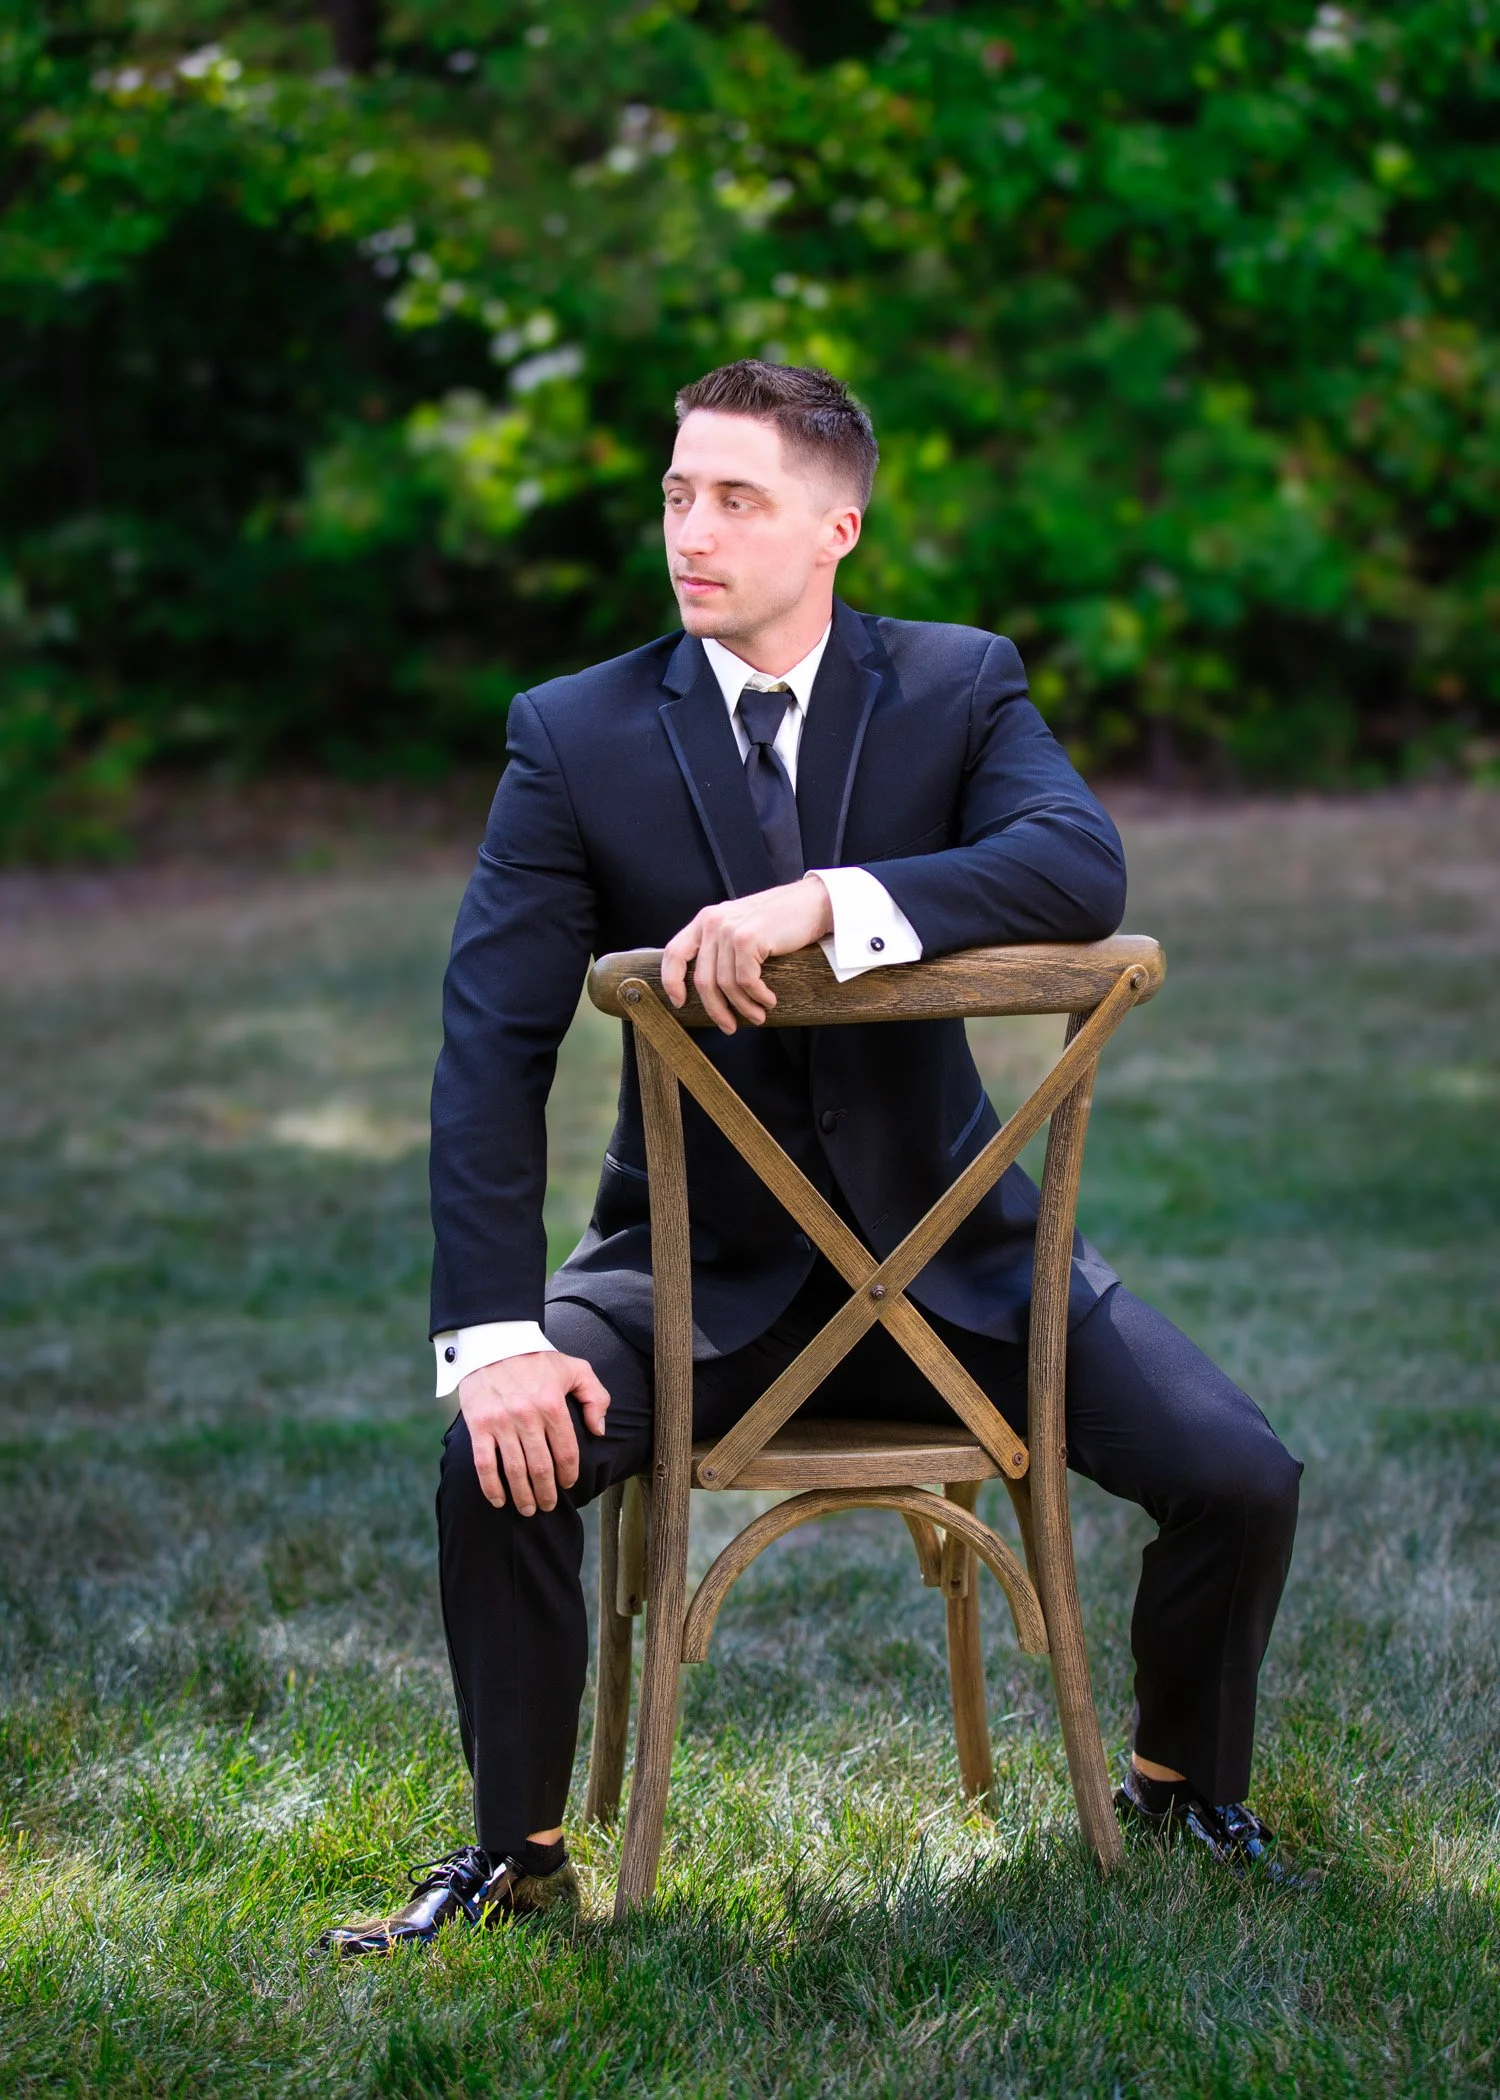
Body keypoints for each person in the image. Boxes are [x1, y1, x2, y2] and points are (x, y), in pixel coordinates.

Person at [321, 360, 1305, 1956]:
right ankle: (517, 1855)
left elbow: (1077, 863)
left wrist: (826, 902)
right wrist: (493, 1342)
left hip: (959, 1267)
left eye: (737, 499)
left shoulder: (958, 685)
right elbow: (490, 1050)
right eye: (676, 495)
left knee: (1242, 1475)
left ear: (837, 527)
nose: (690, 533)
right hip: (689, 1279)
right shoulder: (574, 736)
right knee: (495, 1455)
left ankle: (1179, 1786)